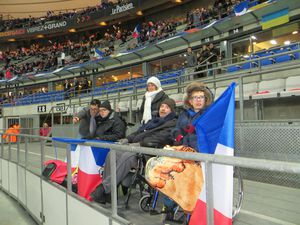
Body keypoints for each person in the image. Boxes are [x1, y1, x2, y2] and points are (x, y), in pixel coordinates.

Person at [91, 98, 177, 204]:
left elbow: (159, 139)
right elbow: (138, 132)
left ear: (172, 111)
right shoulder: (153, 121)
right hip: (138, 149)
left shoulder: (172, 124)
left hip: (152, 154)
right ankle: (110, 193)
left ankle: (103, 189)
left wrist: (139, 144)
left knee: (128, 155)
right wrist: (127, 139)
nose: (163, 109)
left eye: (167, 107)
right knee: (113, 153)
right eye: (162, 106)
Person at [173, 81, 213, 151]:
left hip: (201, 152)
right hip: (184, 150)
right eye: (195, 97)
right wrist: (179, 137)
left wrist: (196, 129)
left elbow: (211, 134)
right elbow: (176, 129)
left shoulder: (209, 115)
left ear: (205, 100)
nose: (198, 100)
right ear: (190, 101)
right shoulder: (183, 114)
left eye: (201, 97)